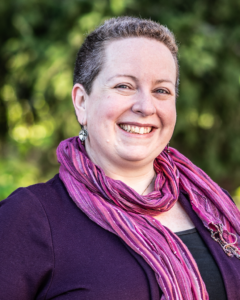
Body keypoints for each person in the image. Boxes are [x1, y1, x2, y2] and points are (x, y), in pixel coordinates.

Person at [0, 16, 240, 300]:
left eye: (161, 90)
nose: (145, 106)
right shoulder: (29, 217)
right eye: (124, 86)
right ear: (82, 102)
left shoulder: (212, 205)